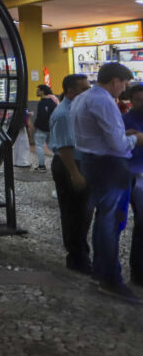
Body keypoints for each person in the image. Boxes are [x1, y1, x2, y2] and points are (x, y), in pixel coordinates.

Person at [73, 62, 141, 303]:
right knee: (111, 223)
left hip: (92, 163)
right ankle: (111, 280)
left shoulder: (83, 98)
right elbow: (118, 145)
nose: (124, 88)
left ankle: (100, 271)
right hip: (110, 166)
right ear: (115, 80)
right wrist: (136, 139)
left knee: (103, 219)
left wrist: (125, 137)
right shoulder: (104, 101)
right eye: (124, 83)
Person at [49, 73, 92, 275]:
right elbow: (65, 147)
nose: (88, 91)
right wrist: (75, 173)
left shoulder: (77, 109)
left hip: (78, 163)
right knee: (73, 213)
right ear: (71, 90)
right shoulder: (64, 114)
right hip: (69, 165)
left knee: (83, 213)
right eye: (84, 88)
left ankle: (81, 252)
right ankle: (77, 257)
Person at [120, 83, 143, 286]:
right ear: (132, 100)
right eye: (138, 100)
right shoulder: (125, 120)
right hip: (134, 175)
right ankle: (138, 271)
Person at [32, 84, 59, 172]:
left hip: (42, 129)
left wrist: (36, 126)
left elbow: (41, 116)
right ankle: (60, 163)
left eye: (38, 90)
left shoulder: (42, 102)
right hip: (51, 129)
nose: (37, 92)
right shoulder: (52, 102)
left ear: (43, 91)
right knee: (53, 147)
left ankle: (42, 166)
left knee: (39, 147)